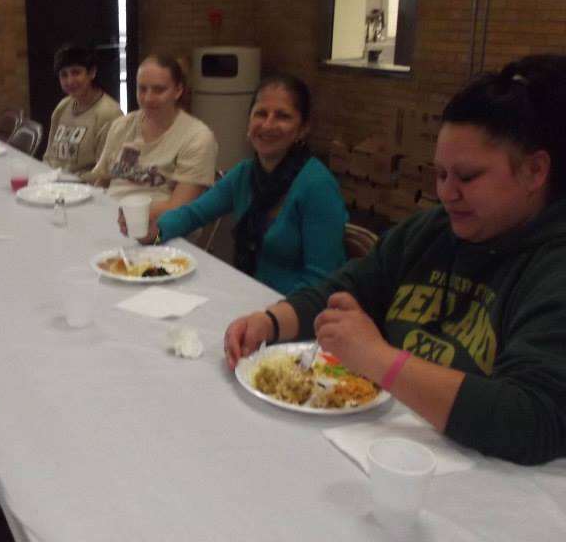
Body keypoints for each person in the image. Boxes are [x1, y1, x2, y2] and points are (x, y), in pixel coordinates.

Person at [224, 55, 566, 464]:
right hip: (379, 452)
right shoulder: (431, 231)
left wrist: (379, 359)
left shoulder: (551, 266)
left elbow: (533, 419)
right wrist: (272, 320)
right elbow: (349, 285)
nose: (447, 193)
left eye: (468, 177)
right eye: (440, 174)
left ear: (535, 171)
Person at [129, 74, 346, 295]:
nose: (268, 125)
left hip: (296, 311)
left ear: (303, 129)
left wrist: (272, 317)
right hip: (247, 295)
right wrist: (154, 233)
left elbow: (320, 281)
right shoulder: (245, 174)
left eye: (283, 116)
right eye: (260, 113)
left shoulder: (318, 186)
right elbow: (194, 214)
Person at [93, 54, 218, 218]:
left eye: (159, 90)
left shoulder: (197, 137)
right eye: (142, 89)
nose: (148, 98)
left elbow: (179, 208)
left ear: (178, 90)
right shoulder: (121, 126)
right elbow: (102, 182)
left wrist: (122, 216)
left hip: (161, 232)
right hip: (113, 218)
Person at [42, 44, 123, 179]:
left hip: (84, 189)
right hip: (53, 184)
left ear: (92, 73)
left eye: (76, 72)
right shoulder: (62, 107)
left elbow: (105, 172)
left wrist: (68, 181)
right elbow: (49, 155)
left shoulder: (109, 114)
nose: (70, 80)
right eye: (64, 75)